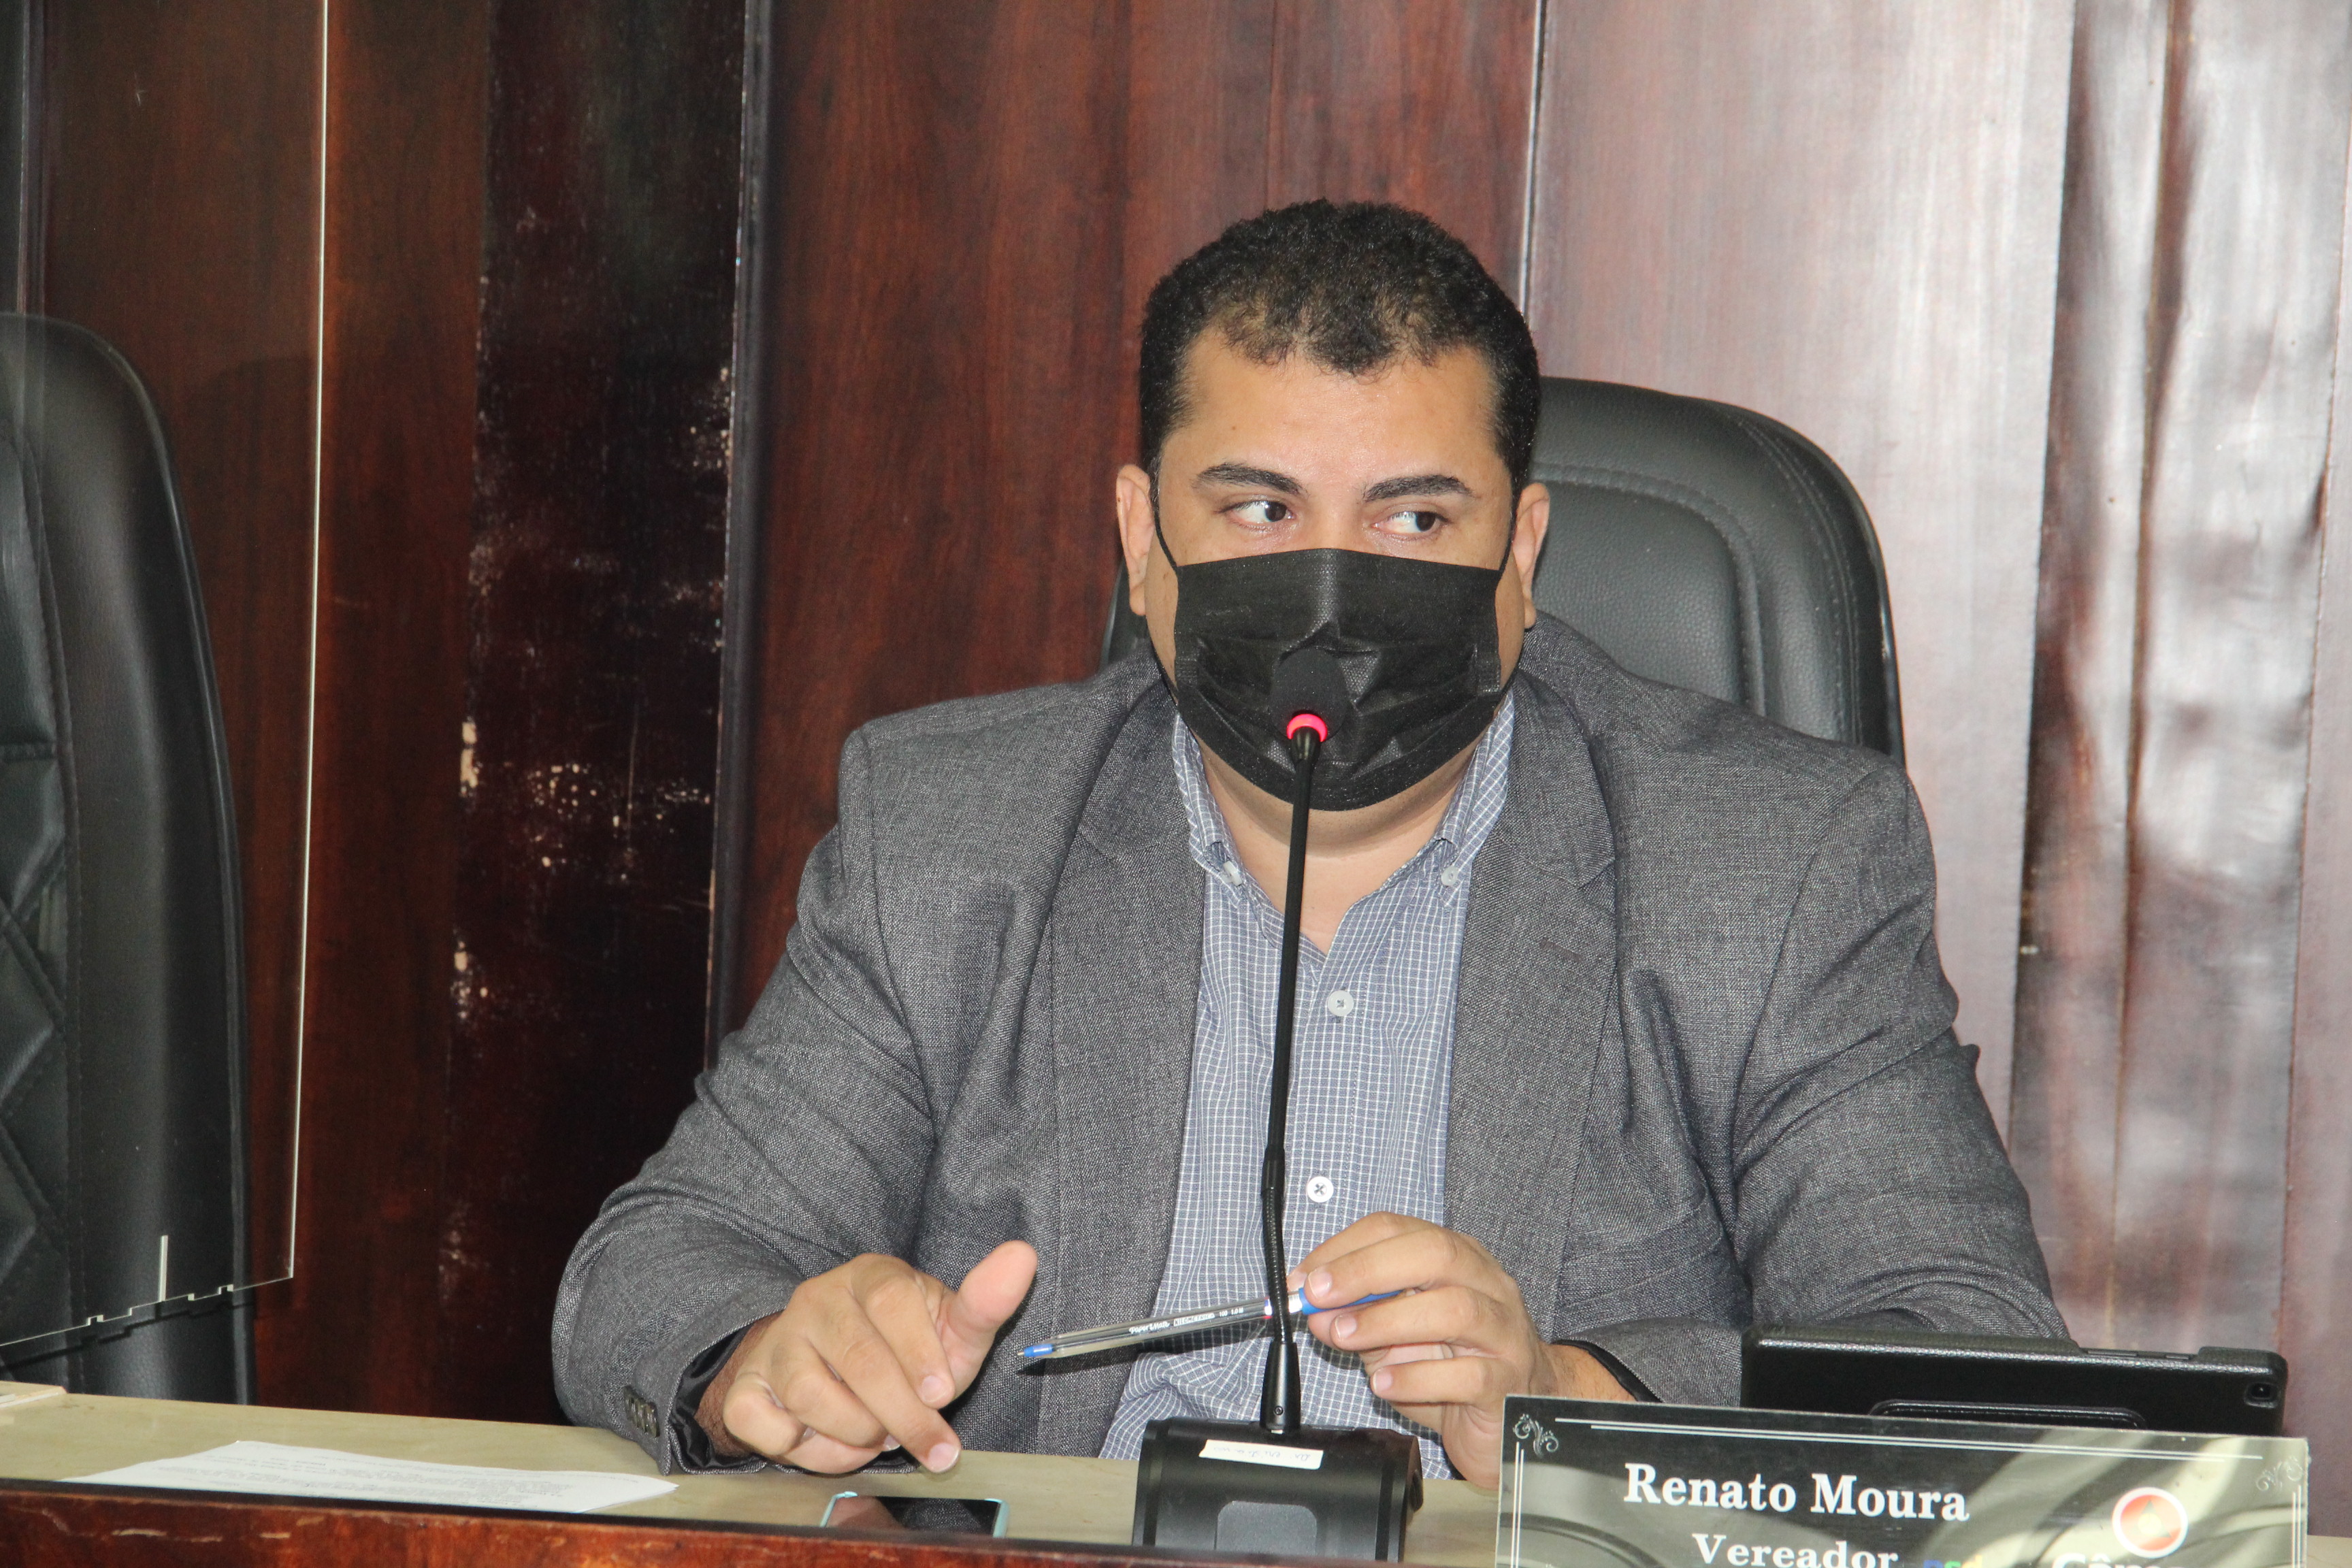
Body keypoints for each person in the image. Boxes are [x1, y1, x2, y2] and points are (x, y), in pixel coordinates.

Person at [553, 201, 2063, 1489]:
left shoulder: (1770, 864)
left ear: (1523, 553)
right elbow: (659, 1267)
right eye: (1263, 509)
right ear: (1143, 540)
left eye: (1414, 523)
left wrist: (1574, 1400)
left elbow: (1972, 1359)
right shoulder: (954, 829)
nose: (1333, 595)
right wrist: (769, 1352)